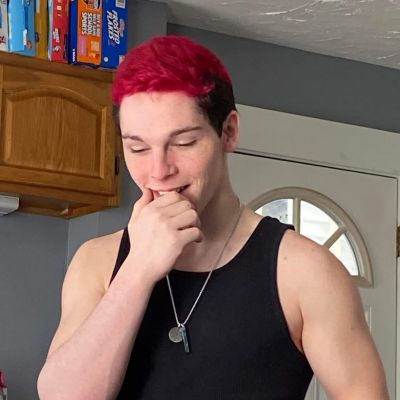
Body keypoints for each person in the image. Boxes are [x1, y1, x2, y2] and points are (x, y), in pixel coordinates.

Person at [37, 35, 389, 399]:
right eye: (138, 148)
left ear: (229, 132)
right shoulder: (96, 262)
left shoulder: (305, 271)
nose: (159, 170)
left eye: (183, 143)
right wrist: (138, 268)